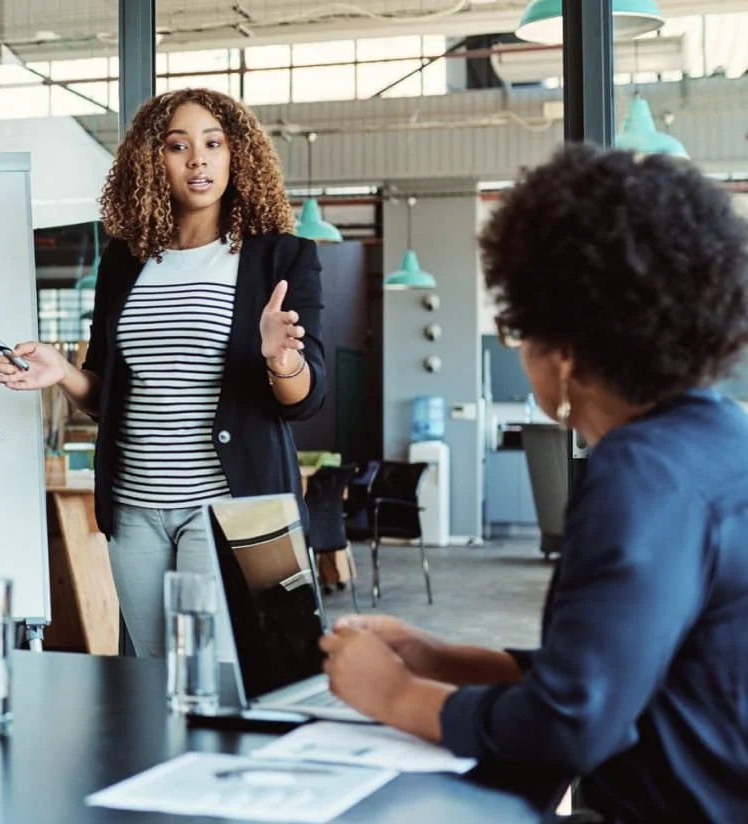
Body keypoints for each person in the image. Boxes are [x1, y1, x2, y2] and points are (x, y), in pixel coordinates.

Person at [320, 143, 748, 823]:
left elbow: (573, 722)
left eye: (519, 329)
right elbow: (621, 665)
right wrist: (441, 658)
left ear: (568, 352)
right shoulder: (724, 440)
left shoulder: (639, 473)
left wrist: (398, 695)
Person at [0, 88, 326, 657]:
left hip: (224, 504)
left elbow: (303, 399)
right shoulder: (125, 261)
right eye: (178, 145)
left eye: (213, 143)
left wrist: (280, 359)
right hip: (135, 505)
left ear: (236, 155)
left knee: (210, 673)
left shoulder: (279, 257)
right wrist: (63, 372)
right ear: (153, 161)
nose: (198, 159)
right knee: (148, 674)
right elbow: (107, 393)